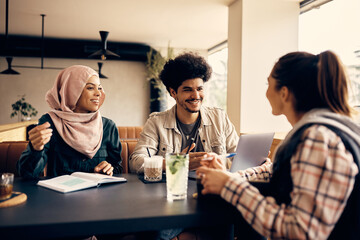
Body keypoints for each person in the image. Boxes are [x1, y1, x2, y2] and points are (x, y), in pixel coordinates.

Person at [197, 50, 360, 240]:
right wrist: (229, 176)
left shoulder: (317, 139)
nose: (266, 91)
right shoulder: (323, 129)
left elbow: (301, 232)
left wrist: (228, 185)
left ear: (284, 93)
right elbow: (276, 172)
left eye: (269, 83)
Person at [129, 52, 239, 174]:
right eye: (188, 90)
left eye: (199, 89)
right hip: (172, 188)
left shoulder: (219, 118)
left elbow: (240, 156)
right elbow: (136, 162)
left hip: (214, 186)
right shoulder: (156, 122)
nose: (196, 96)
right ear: (173, 93)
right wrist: (175, 162)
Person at [17, 65, 122, 179]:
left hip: (97, 195)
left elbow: (118, 168)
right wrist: (35, 149)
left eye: (100, 88)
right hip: (59, 195)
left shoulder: (108, 126)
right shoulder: (50, 122)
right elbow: (27, 174)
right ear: (71, 90)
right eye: (90, 88)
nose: (98, 93)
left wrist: (109, 169)